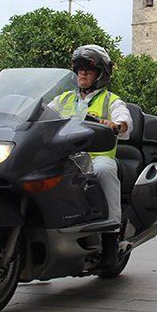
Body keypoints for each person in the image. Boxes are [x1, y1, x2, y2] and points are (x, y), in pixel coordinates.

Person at [48, 44, 131, 267]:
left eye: (88, 69)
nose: (82, 73)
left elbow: (124, 120)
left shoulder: (111, 100)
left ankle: (111, 236)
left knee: (105, 171)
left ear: (100, 75)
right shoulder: (62, 99)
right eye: (79, 69)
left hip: (96, 157)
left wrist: (116, 124)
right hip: (64, 158)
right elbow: (42, 113)